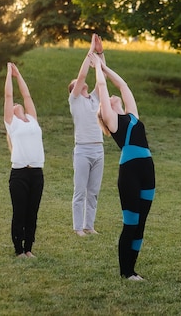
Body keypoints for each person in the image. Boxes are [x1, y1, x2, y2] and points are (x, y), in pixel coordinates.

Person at [89, 52, 155, 281]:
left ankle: (133, 270)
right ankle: (126, 272)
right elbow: (101, 86)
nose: (114, 97)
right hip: (130, 174)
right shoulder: (113, 120)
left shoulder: (132, 116)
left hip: (148, 171)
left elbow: (122, 84)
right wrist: (97, 66)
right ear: (103, 112)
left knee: (141, 224)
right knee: (131, 224)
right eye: (108, 100)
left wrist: (104, 65)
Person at [4, 62, 45, 258]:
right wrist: (8, 75)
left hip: (37, 172)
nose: (16, 103)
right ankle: (18, 249)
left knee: (32, 213)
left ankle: (29, 249)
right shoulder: (12, 123)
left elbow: (26, 95)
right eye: (12, 106)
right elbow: (8, 96)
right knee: (19, 212)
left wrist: (18, 74)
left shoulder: (33, 118)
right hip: (19, 173)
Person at [68, 34, 106, 237]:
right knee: (80, 191)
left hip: (98, 148)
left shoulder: (93, 99)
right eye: (77, 82)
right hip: (82, 150)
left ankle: (89, 226)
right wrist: (90, 51)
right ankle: (77, 227)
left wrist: (100, 53)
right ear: (73, 89)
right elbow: (82, 75)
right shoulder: (74, 100)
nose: (82, 82)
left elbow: (102, 80)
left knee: (94, 192)